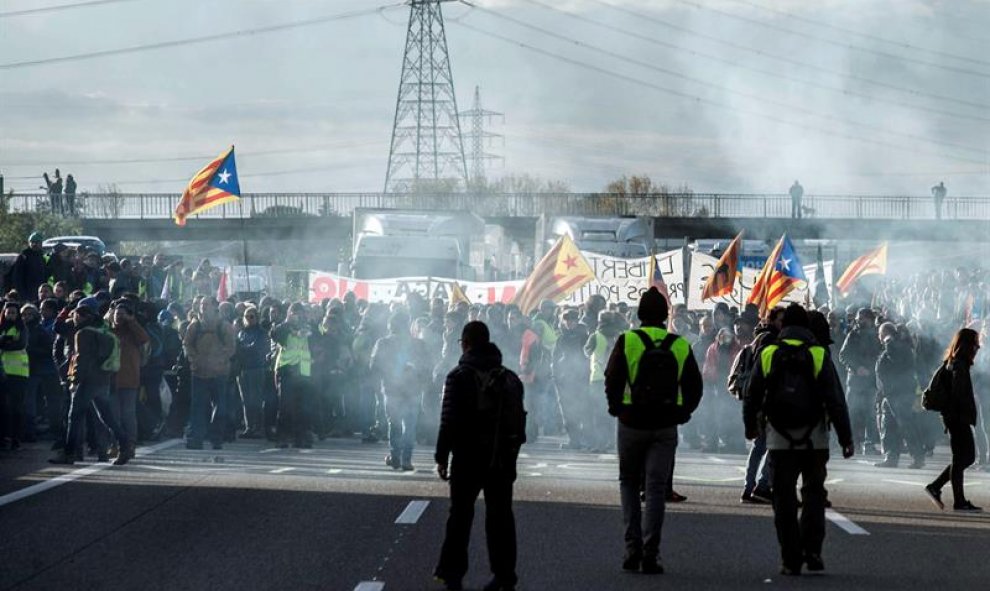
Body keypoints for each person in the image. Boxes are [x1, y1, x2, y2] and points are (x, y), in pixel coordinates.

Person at [744, 304, 854, 576]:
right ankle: (812, 550)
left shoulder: (769, 353)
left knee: (783, 498)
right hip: (815, 437)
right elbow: (835, 399)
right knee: (814, 494)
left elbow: (752, 395)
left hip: (779, 438)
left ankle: (790, 558)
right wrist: (845, 437)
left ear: (783, 326)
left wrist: (750, 427)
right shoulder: (818, 354)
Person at [603, 287, 703, 574]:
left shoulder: (628, 340)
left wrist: (616, 408)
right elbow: (695, 386)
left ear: (639, 314)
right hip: (665, 424)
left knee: (629, 483)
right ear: (665, 315)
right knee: (656, 488)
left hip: (631, 421)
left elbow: (612, 377)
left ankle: (631, 548)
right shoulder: (680, 344)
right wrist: (683, 413)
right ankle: (651, 552)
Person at [434, 321, 525, 591]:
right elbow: (519, 422)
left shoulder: (458, 376)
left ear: (465, 343)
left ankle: (452, 575)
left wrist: (441, 456)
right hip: (501, 457)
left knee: (460, 516)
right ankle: (505, 576)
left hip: (467, 457)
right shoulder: (509, 377)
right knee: (501, 517)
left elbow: (449, 420)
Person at [49, 297, 131, 465]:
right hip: (103, 379)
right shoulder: (104, 331)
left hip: (86, 381)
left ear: (86, 316)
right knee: (106, 416)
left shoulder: (83, 333)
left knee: (75, 415)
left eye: (78, 314)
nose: (75, 317)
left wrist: (74, 381)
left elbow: (81, 360)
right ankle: (125, 445)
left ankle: (69, 452)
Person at [925, 328, 982, 512]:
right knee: (963, 457)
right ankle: (958, 500)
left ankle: (936, 487)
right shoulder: (958, 365)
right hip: (957, 417)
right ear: (966, 345)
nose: (978, 347)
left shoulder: (957, 363)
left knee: (965, 457)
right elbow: (958, 394)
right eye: (974, 343)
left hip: (956, 417)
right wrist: (963, 413)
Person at [183, 297, 236, 450]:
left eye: (206, 305)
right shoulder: (195, 325)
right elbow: (187, 343)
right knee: (197, 407)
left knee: (220, 407)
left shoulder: (224, 326)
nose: (203, 307)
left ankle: (217, 437)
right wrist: (194, 360)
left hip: (219, 373)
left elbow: (231, 347)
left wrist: (219, 360)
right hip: (199, 372)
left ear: (215, 307)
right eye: (201, 305)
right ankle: (196, 438)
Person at [875, 323, 924, 469]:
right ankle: (891, 457)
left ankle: (917, 457)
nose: (879, 337)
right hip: (892, 392)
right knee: (889, 425)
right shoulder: (898, 345)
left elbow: (897, 364)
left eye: (880, 333)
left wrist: (889, 341)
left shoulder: (895, 345)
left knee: (906, 425)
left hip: (898, 393)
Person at [108, 299, 148, 464]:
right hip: (110, 379)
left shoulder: (133, 332)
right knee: (112, 415)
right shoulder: (108, 330)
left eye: (122, 314)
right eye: (117, 314)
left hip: (129, 378)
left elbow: (144, 339)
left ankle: (130, 445)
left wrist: (131, 321)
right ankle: (116, 445)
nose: (119, 317)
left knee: (128, 415)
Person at [839, 308, 882, 455]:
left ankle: (869, 445)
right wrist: (857, 368)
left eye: (862, 318)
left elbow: (881, 355)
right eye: (858, 318)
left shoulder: (877, 336)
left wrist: (873, 368)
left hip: (870, 382)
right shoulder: (853, 335)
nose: (859, 321)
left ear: (869, 319)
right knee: (852, 413)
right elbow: (844, 355)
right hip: (855, 381)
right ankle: (851, 443)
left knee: (870, 414)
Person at [1, 302, 29, 450]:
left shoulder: (21, 328)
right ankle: (4, 436)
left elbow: (21, 344)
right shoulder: (2, 328)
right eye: (8, 312)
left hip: (18, 373)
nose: (10, 315)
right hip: (3, 371)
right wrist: (7, 341)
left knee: (16, 407)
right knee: (3, 407)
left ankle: (15, 437)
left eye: (13, 312)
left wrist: (4, 343)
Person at [12, 232, 48, 303]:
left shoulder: (42, 257)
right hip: (27, 294)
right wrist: (23, 295)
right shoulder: (24, 257)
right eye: (32, 242)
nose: (34, 244)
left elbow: (44, 275)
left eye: (37, 242)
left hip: (39, 293)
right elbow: (17, 278)